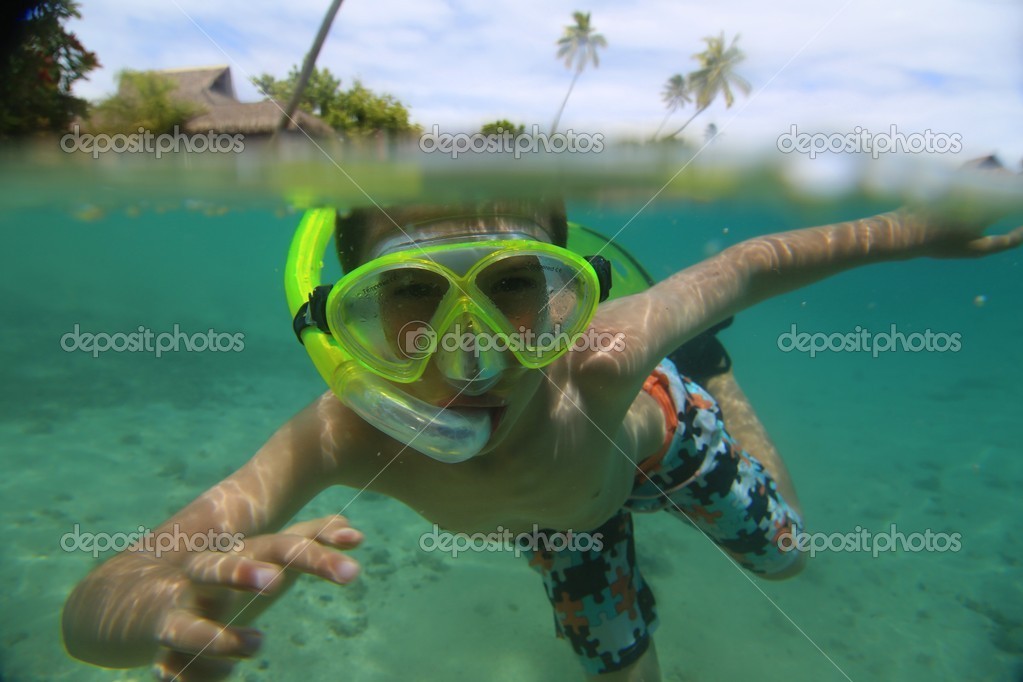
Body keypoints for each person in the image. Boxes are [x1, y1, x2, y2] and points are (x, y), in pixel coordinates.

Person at [62, 192, 1021, 682]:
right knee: (614, 669)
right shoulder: (342, 435)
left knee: (788, 559)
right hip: (569, 524)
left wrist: (914, 228)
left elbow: (747, 265)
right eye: (411, 292)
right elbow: (100, 602)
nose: (470, 350)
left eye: (512, 283)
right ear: (349, 320)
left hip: (660, 442)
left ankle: (714, 377)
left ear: (566, 295)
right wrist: (153, 608)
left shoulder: (605, 356)